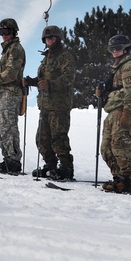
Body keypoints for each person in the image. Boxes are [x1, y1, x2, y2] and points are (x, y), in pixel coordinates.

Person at [26, 25, 76, 181]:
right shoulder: (46, 58)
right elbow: (43, 81)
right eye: (47, 38)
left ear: (58, 39)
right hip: (45, 105)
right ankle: (50, 165)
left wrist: (51, 84)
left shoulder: (65, 56)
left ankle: (66, 168)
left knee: (58, 138)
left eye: (53, 38)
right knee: (41, 138)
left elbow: (68, 78)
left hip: (59, 106)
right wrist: (31, 81)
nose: (50, 40)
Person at [99, 34, 131, 194]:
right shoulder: (118, 67)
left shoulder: (129, 66)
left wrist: (128, 114)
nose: (114, 52)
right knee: (106, 148)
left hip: (122, 110)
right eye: (112, 49)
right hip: (112, 110)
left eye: (117, 49)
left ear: (125, 49)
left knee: (121, 146)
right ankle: (118, 178)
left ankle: (126, 180)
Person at [0, 18, 26, 174]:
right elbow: (6, 72)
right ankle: (8, 157)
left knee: (8, 125)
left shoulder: (16, 49)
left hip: (11, 92)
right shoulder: (7, 50)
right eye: (1, 32)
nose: (3, 35)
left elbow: (11, 73)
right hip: (3, 92)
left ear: (13, 32)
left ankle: (13, 160)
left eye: (6, 31)